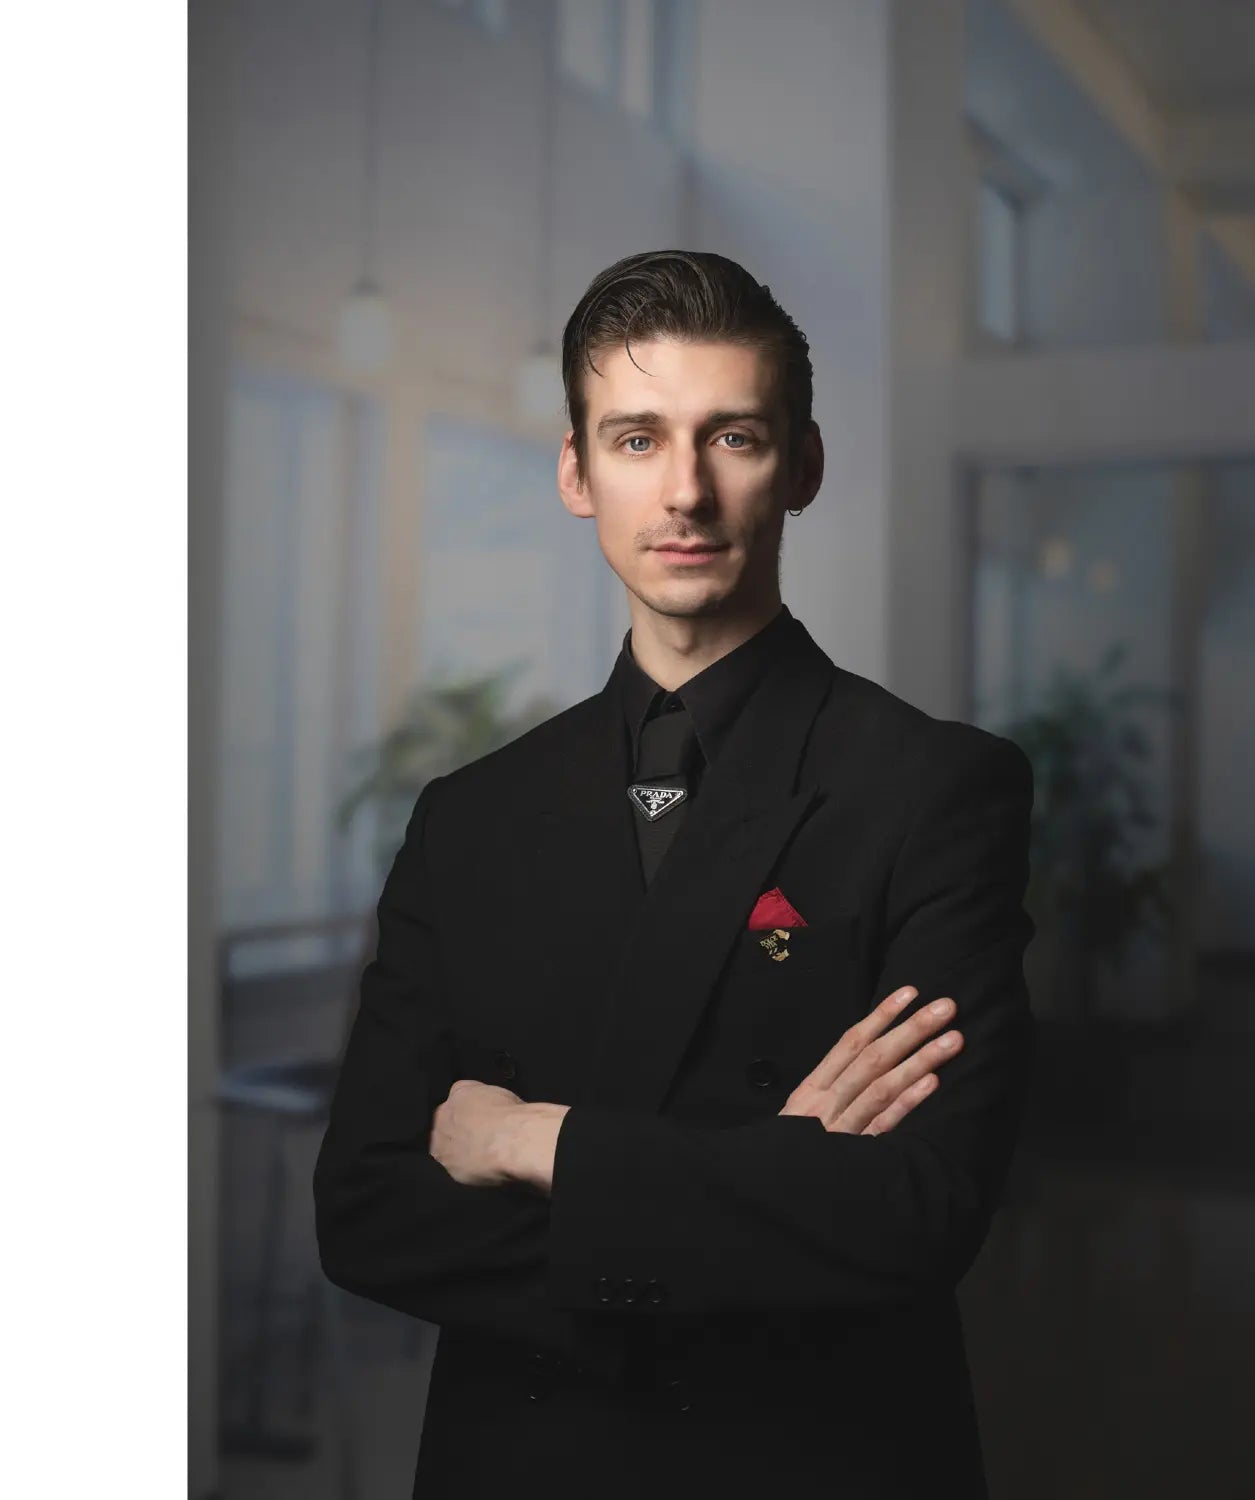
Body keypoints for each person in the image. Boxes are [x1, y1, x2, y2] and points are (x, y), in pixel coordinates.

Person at [313, 249, 1036, 1499]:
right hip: (520, 1466)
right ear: (575, 471)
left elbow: (920, 1206)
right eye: (637, 438)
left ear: (801, 466)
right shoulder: (470, 817)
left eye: (734, 436)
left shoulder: (935, 789)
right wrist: (767, 1185)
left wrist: (540, 1141)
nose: (685, 492)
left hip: (819, 1467)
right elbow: (368, 1208)